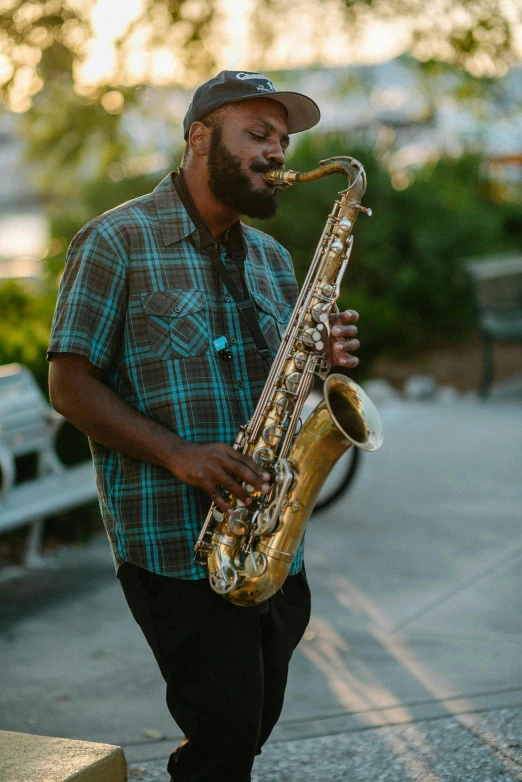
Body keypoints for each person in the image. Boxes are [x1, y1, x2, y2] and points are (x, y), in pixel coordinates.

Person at [47, 70, 361, 782]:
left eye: (282, 140)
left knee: (247, 726)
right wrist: (181, 456)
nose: (278, 152)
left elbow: (287, 393)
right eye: (258, 134)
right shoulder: (115, 241)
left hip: (274, 544)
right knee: (223, 732)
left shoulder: (277, 262)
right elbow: (69, 386)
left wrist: (323, 365)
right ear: (199, 137)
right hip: (172, 544)